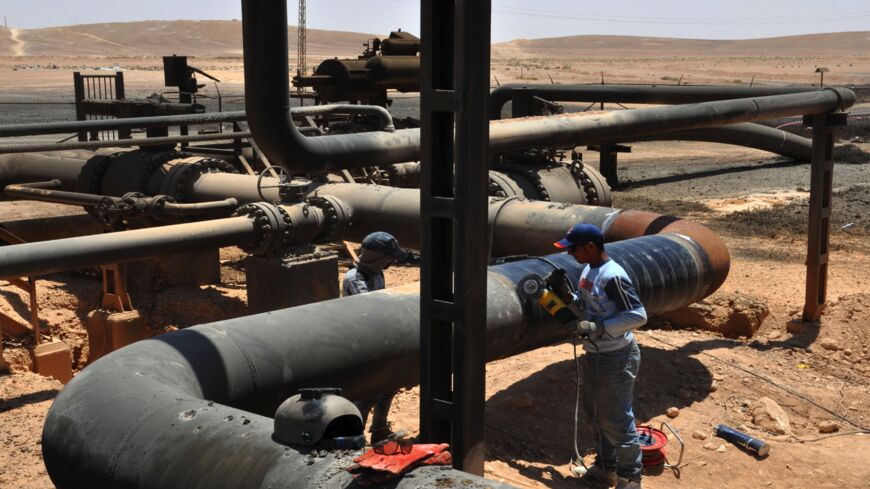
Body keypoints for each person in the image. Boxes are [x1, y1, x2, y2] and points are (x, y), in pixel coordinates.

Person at [552, 223, 647, 489]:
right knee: (595, 415)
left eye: (573, 249)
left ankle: (630, 479)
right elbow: (588, 309)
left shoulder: (612, 275)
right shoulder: (589, 271)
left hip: (615, 357)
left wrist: (599, 328)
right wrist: (567, 296)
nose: (570, 254)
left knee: (616, 419)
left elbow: (638, 315)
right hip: (595, 354)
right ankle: (607, 469)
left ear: (591, 247)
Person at [342, 231, 409, 444]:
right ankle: (355, 437)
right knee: (367, 392)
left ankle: (379, 428)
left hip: (380, 337)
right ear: (377, 258)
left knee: (389, 385)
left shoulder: (377, 274)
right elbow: (371, 308)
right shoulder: (355, 278)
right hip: (361, 341)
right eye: (388, 258)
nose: (391, 263)